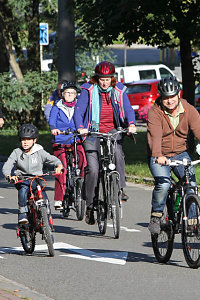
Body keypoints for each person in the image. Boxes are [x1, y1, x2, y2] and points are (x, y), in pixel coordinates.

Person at [147, 76, 200, 234]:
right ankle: (156, 216)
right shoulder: (155, 112)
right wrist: (158, 155)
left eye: (172, 96)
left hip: (180, 153)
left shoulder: (189, 110)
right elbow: (155, 136)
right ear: (161, 97)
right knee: (164, 184)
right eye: (166, 98)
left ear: (178, 94)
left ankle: (192, 222)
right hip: (159, 154)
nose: (170, 101)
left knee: (191, 185)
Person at [74, 61, 137, 225]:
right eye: (102, 79)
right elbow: (78, 111)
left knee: (117, 154)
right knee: (93, 169)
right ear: (96, 78)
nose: (104, 82)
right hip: (92, 131)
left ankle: (120, 189)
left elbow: (128, 109)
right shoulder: (88, 90)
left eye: (107, 79)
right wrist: (81, 127)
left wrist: (131, 124)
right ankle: (89, 205)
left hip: (112, 130)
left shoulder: (119, 91)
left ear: (112, 79)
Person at [2, 124, 63, 224]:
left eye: (28, 139)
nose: (25, 142)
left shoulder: (40, 152)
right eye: (23, 139)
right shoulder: (17, 152)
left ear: (34, 140)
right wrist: (9, 175)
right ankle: (22, 213)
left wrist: (59, 165)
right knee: (23, 191)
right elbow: (7, 165)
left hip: (37, 179)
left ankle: (47, 217)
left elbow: (52, 159)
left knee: (44, 198)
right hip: (23, 180)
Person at [49, 81, 87, 210]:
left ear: (76, 94)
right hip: (61, 139)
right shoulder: (57, 106)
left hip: (76, 139)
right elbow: (52, 120)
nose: (70, 95)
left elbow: (85, 119)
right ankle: (59, 199)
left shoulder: (79, 106)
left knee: (84, 162)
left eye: (73, 93)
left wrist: (85, 129)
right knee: (61, 169)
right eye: (67, 92)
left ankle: (82, 189)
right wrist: (54, 129)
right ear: (62, 94)